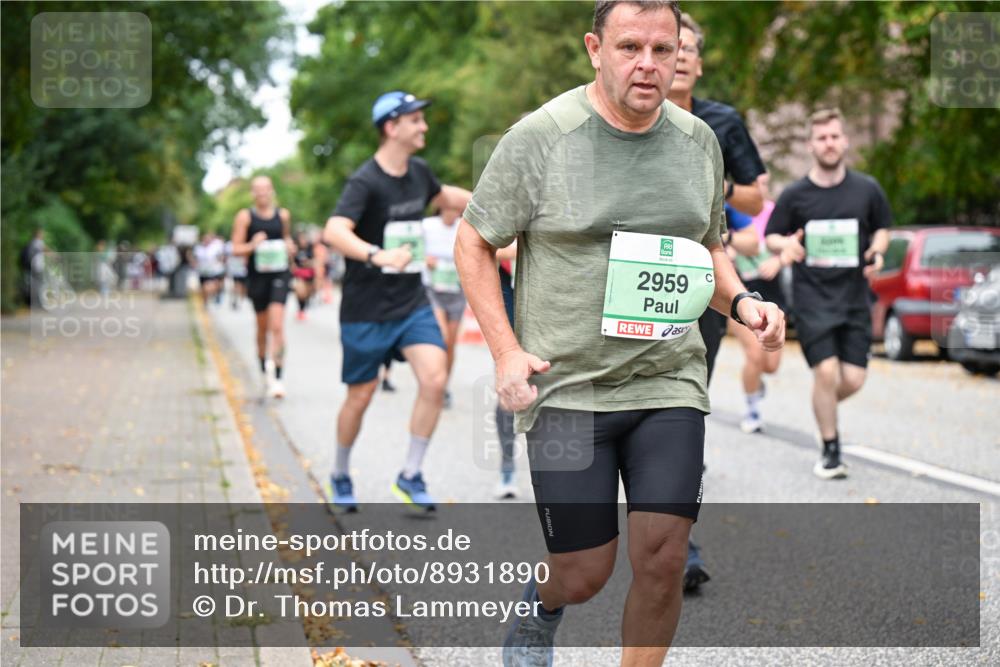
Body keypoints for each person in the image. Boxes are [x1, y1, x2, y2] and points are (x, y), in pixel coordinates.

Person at [454, 2, 785, 664]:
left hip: (668, 377)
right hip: (568, 382)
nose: (648, 64)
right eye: (630, 47)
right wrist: (507, 351)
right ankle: (541, 606)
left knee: (662, 555)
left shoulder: (698, 143)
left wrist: (744, 300)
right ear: (594, 49)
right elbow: (473, 241)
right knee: (583, 570)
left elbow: (709, 248)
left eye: (663, 51)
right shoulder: (542, 136)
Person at [323, 90, 472, 513]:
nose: (423, 126)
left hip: (411, 304)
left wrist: (495, 203)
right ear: (392, 127)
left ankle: (411, 473)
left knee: (434, 379)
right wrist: (376, 254)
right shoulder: (365, 181)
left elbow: (447, 199)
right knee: (361, 394)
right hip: (366, 309)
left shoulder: (419, 173)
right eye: (415, 120)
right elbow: (334, 231)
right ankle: (340, 472)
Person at [667, 10, 769, 594]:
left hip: (707, 276)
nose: (677, 56)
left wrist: (718, 179)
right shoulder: (633, 114)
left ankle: (680, 539)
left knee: (684, 404)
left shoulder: (721, 122)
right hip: (636, 280)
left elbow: (757, 195)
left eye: (687, 49)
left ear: (699, 63)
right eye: (669, 46)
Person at [766, 107, 890, 479]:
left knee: (852, 379)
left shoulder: (866, 189)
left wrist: (878, 251)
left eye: (835, 136)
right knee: (826, 371)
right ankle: (830, 449)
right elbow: (771, 234)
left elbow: (883, 228)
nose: (829, 143)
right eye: (822, 138)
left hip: (854, 298)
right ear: (811, 145)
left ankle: (823, 407)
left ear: (845, 141)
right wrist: (784, 247)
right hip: (811, 298)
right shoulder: (795, 195)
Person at [731, 174, 786, 434]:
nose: (759, 189)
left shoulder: (776, 213)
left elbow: (793, 246)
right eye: (754, 185)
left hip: (772, 293)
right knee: (754, 355)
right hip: (741, 294)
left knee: (771, 365)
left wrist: (779, 260)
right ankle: (752, 408)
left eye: (763, 184)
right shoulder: (734, 212)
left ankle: (757, 382)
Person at [231, 176, 294, 399]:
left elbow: (287, 239)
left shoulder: (283, 215)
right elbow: (236, 248)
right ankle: (262, 370)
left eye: (266, 189)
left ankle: (277, 377)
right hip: (257, 278)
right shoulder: (245, 217)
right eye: (258, 190)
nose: (262, 193)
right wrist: (252, 245)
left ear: (272, 191)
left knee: (277, 326)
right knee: (262, 328)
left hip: (279, 273)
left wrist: (290, 247)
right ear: (252, 193)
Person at [422, 208, 467, 409]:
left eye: (456, 208)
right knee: (442, 337)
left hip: (456, 290)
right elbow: (414, 249)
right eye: (448, 207)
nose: (452, 212)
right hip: (433, 289)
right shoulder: (428, 225)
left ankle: (443, 385)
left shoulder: (463, 226)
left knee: (451, 344)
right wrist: (426, 260)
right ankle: (434, 382)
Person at [291, 228, 324, 321]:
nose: (303, 240)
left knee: (308, 294)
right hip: (299, 274)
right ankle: (300, 310)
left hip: (310, 273)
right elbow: (292, 262)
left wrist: (309, 263)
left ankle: (304, 308)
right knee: (300, 292)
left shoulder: (312, 248)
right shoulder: (296, 248)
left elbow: (317, 260)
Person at [194, 232, 226, 305]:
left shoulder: (216, 247)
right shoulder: (199, 248)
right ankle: (205, 302)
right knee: (203, 288)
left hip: (214, 271)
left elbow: (221, 256)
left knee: (210, 286)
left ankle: (216, 294)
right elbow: (195, 259)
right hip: (203, 271)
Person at [224, 235, 248, 309]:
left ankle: (241, 300)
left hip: (245, 269)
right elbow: (226, 257)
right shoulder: (229, 245)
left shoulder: (246, 242)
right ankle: (235, 300)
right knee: (236, 285)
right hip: (235, 268)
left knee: (244, 286)